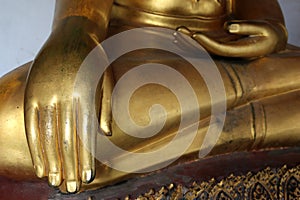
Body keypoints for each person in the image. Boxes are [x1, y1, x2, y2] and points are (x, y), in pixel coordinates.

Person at [0, 0, 299, 193]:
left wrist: (272, 29)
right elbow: (80, 14)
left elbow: (257, 7)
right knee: (10, 121)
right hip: (137, 51)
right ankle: (248, 111)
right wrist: (75, 33)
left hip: (225, 52)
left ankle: (126, 158)